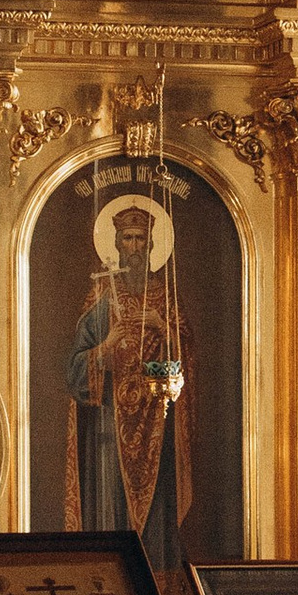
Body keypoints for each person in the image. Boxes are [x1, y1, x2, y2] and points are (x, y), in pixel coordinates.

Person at [66, 197, 190, 570]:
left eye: (141, 239)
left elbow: (186, 360)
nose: (134, 247)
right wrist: (104, 348)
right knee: (110, 500)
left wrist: (162, 328)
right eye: (127, 239)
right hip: (109, 422)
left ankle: (159, 581)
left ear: (152, 244)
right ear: (116, 244)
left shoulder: (166, 297)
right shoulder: (101, 296)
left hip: (157, 418)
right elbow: (75, 366)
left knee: (158, 509)